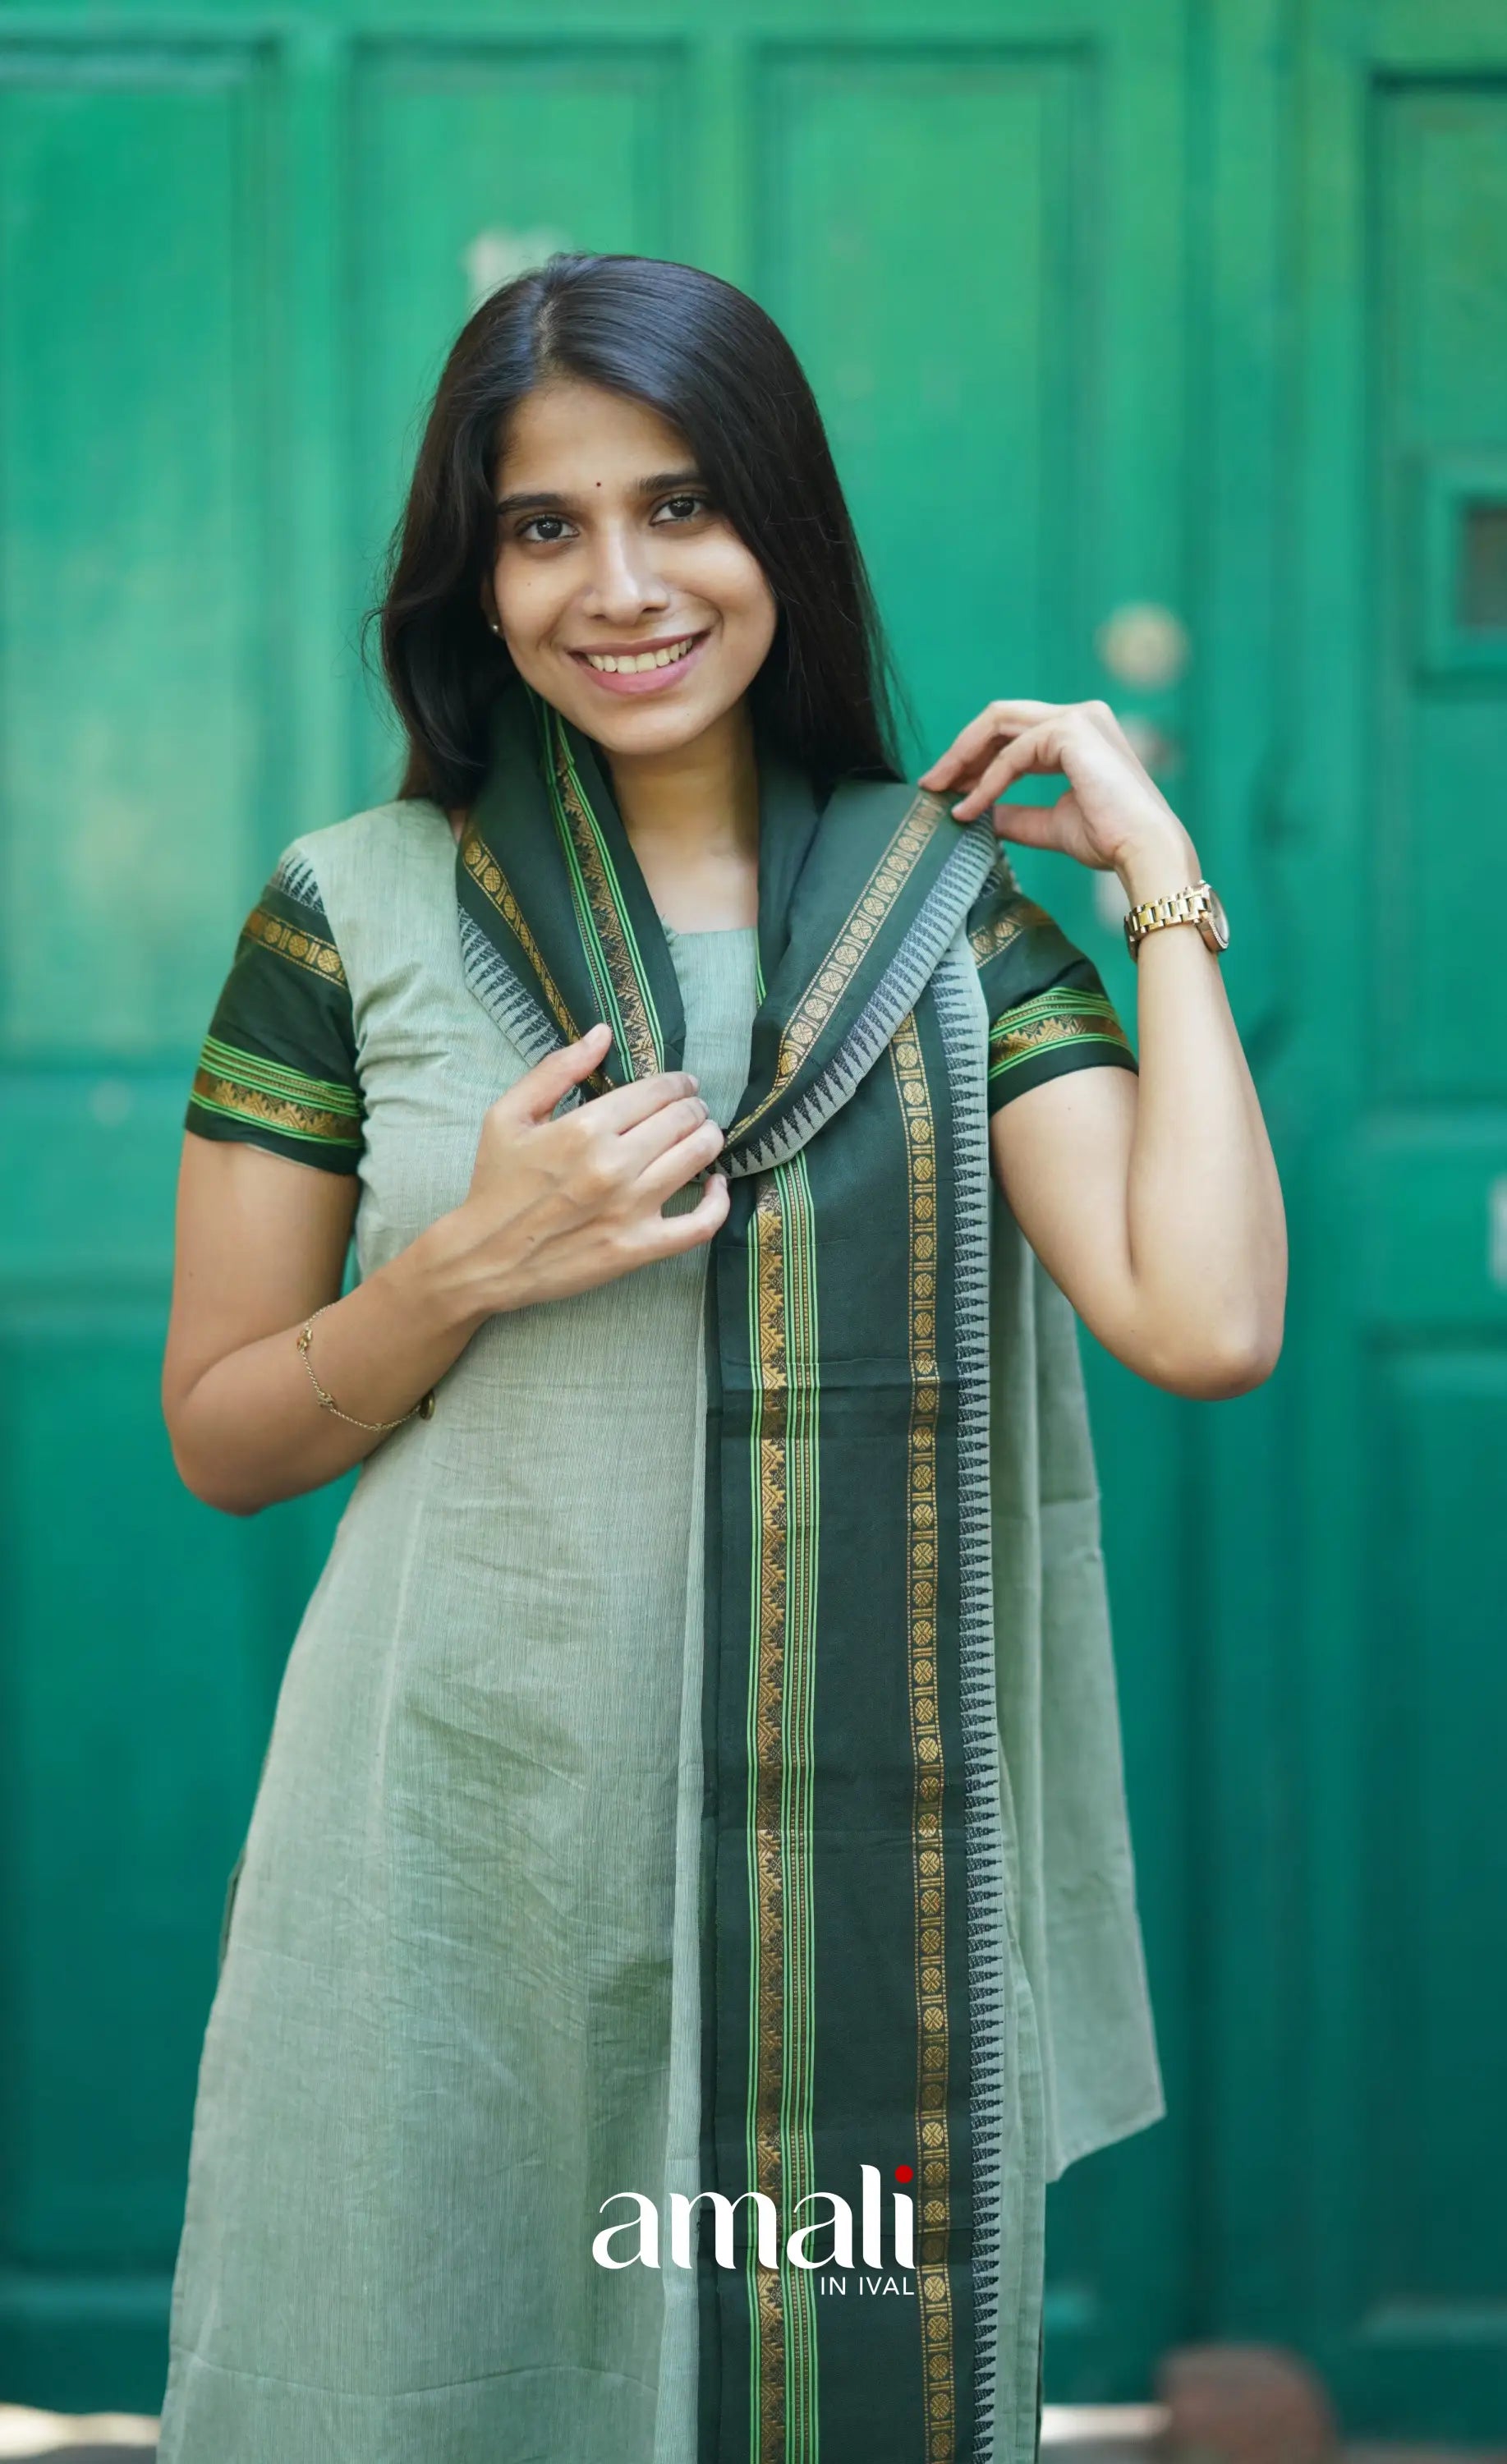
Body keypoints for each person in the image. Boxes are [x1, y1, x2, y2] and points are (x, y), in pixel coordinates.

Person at [154, 251, 1285, 2464]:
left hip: (850, 1877)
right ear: (475, 583)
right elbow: (224, 1434)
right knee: (431, 2387)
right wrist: (469, 1264)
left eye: (680, 505)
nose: (621, 585)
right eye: (544, 526)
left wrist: (1157, 881)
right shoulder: (353, 911)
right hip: (461, 1841)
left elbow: (1208, 1318)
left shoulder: (942, 923)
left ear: (784, 528)